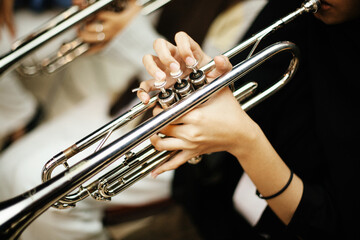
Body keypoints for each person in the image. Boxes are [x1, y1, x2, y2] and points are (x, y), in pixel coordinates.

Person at [137, 0, 360, 239]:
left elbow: (331, 226)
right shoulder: (297, 8)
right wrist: (201, 87)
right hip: (209, 204)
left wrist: (246, 143)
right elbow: (248, 95)